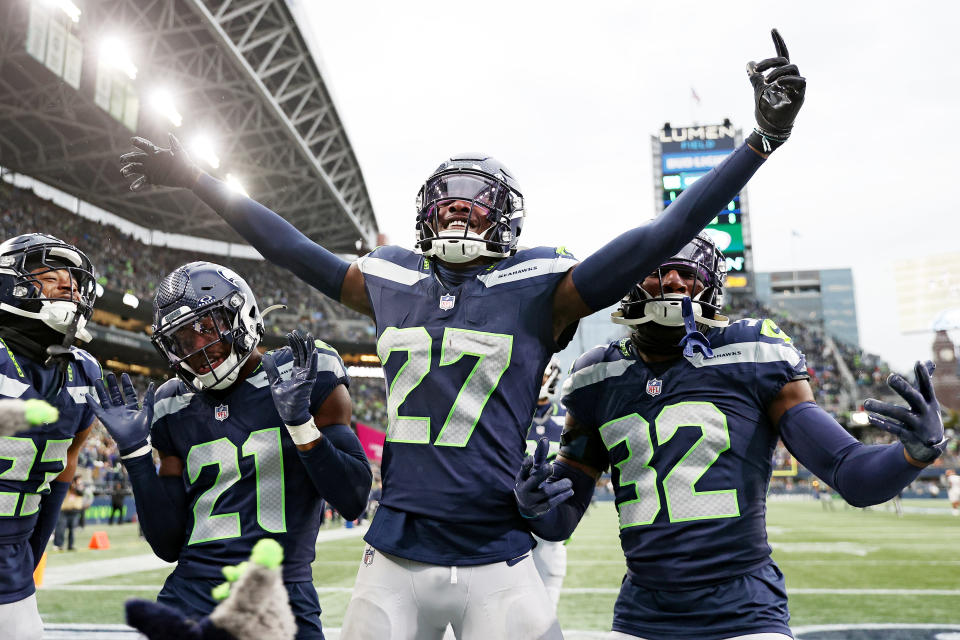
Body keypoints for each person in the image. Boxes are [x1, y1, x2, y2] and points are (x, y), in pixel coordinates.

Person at [118, 30, 806, 640]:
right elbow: (292, 249)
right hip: (394, 549)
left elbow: (662, 236)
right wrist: (198, 179)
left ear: (505, 218)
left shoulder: (543, 287)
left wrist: (760, 143)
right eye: (446, 199)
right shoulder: (391, 279)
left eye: (474, 201)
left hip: (498, 551)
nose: (457, 210)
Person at [516, 232, 948, 640]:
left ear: (711, 289)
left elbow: (851, 474)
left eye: (689, 274)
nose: (674, 282)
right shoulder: (596, 374)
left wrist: (910, 455)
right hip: (641, 615)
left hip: (744, 612)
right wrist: (535, 505)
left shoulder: (751, 352)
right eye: (658, 270)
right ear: (629, 282)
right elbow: (560, 520)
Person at [84, 262, 372, 640]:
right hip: (189, 594)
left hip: (279, 594)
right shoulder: (173, 403)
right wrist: (136, 455)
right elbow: (168, 545)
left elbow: (352, 499)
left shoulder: (301, 372)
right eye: (183, 340)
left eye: (206, 329)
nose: (198, 348)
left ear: (242, 314)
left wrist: (301, 424)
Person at [0, 233, 102, 639]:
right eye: (50, 273)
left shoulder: (84, 374)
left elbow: (65, 466)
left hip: (12, 559)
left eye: (74, 280)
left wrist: (31, 553)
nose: (68, 285)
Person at [524, 359, 568, 609]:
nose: (539, 379)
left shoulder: (566, 416)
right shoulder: (513, 413)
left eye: (543, 374)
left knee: (545, 610)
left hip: (550, 525)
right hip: (510, 519)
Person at [53, 476, 85, 550]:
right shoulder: (68, 486)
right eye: (79, 480)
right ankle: (58, 545)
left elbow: (80, 492)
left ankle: (71, 545)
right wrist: (72, 484)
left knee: (73, 530)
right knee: (60, 528)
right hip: (64, 511)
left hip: (75, 511)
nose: (80, 481)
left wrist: (76, 486)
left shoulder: (81, 487)